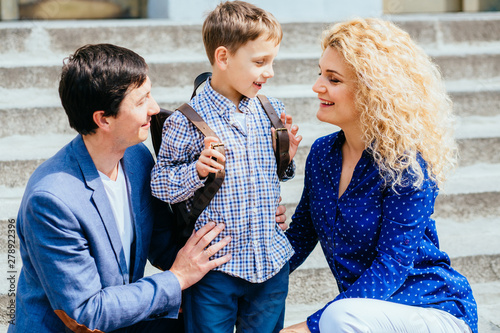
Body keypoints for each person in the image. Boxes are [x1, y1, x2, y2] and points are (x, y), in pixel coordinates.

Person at [9, 43, 234, 333]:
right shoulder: (51, 200)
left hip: (123, 321)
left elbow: (164, 244)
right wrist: (177, 279)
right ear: (103, 119)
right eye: (141, 101)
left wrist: (248, 221)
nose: (155, 109)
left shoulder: (136, 157)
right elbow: (87, 313)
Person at [282, 18, 478, 333]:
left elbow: (391, 267)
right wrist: (240, 276)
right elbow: (300, 238)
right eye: (320, 74)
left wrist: (309, 326)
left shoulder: (406, 165)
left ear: (372, 91)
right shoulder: (322, 155)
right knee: (340, 316)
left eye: (333, 79)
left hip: (432, 311)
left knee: (337, 318)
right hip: (363, 316)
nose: (318, 86)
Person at [151, 1, 302, 332]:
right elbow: (160, 184)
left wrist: (285, 158)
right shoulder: (185, 121)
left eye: (272, 61)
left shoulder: (271, 109)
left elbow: (270, 175)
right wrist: (197, 170)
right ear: (223, 58)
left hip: (269, 262)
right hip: (215, 269)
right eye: (260, 62)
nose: (270, 72)